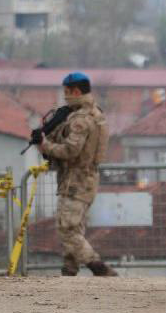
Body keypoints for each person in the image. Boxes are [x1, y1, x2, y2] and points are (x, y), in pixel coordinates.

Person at [38, 72, 118, 277]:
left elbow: (70, 151)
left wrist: (45, 146)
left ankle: (98, 267)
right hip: (86, 179)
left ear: (75, 91)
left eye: (66, 92)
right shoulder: (95, 113)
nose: (65, 97)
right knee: (74, 226)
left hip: (76, 179)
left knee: (67, 229)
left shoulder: (80, 120)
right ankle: (69, 269)